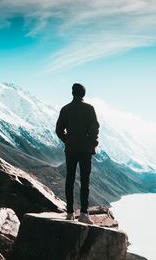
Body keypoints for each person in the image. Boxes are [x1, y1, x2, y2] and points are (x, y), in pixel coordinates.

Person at [55, 83, 99, 224]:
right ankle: (84, 214)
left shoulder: (65, 109)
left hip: (71, 149)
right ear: (83, 94)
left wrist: (67, 140)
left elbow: (58, 130)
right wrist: (93, 141)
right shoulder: (89, 108)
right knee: (85, 181)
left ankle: (69, 213)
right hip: (86, 150)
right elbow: (95, 128)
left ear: (72, 93)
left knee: (70, 180)